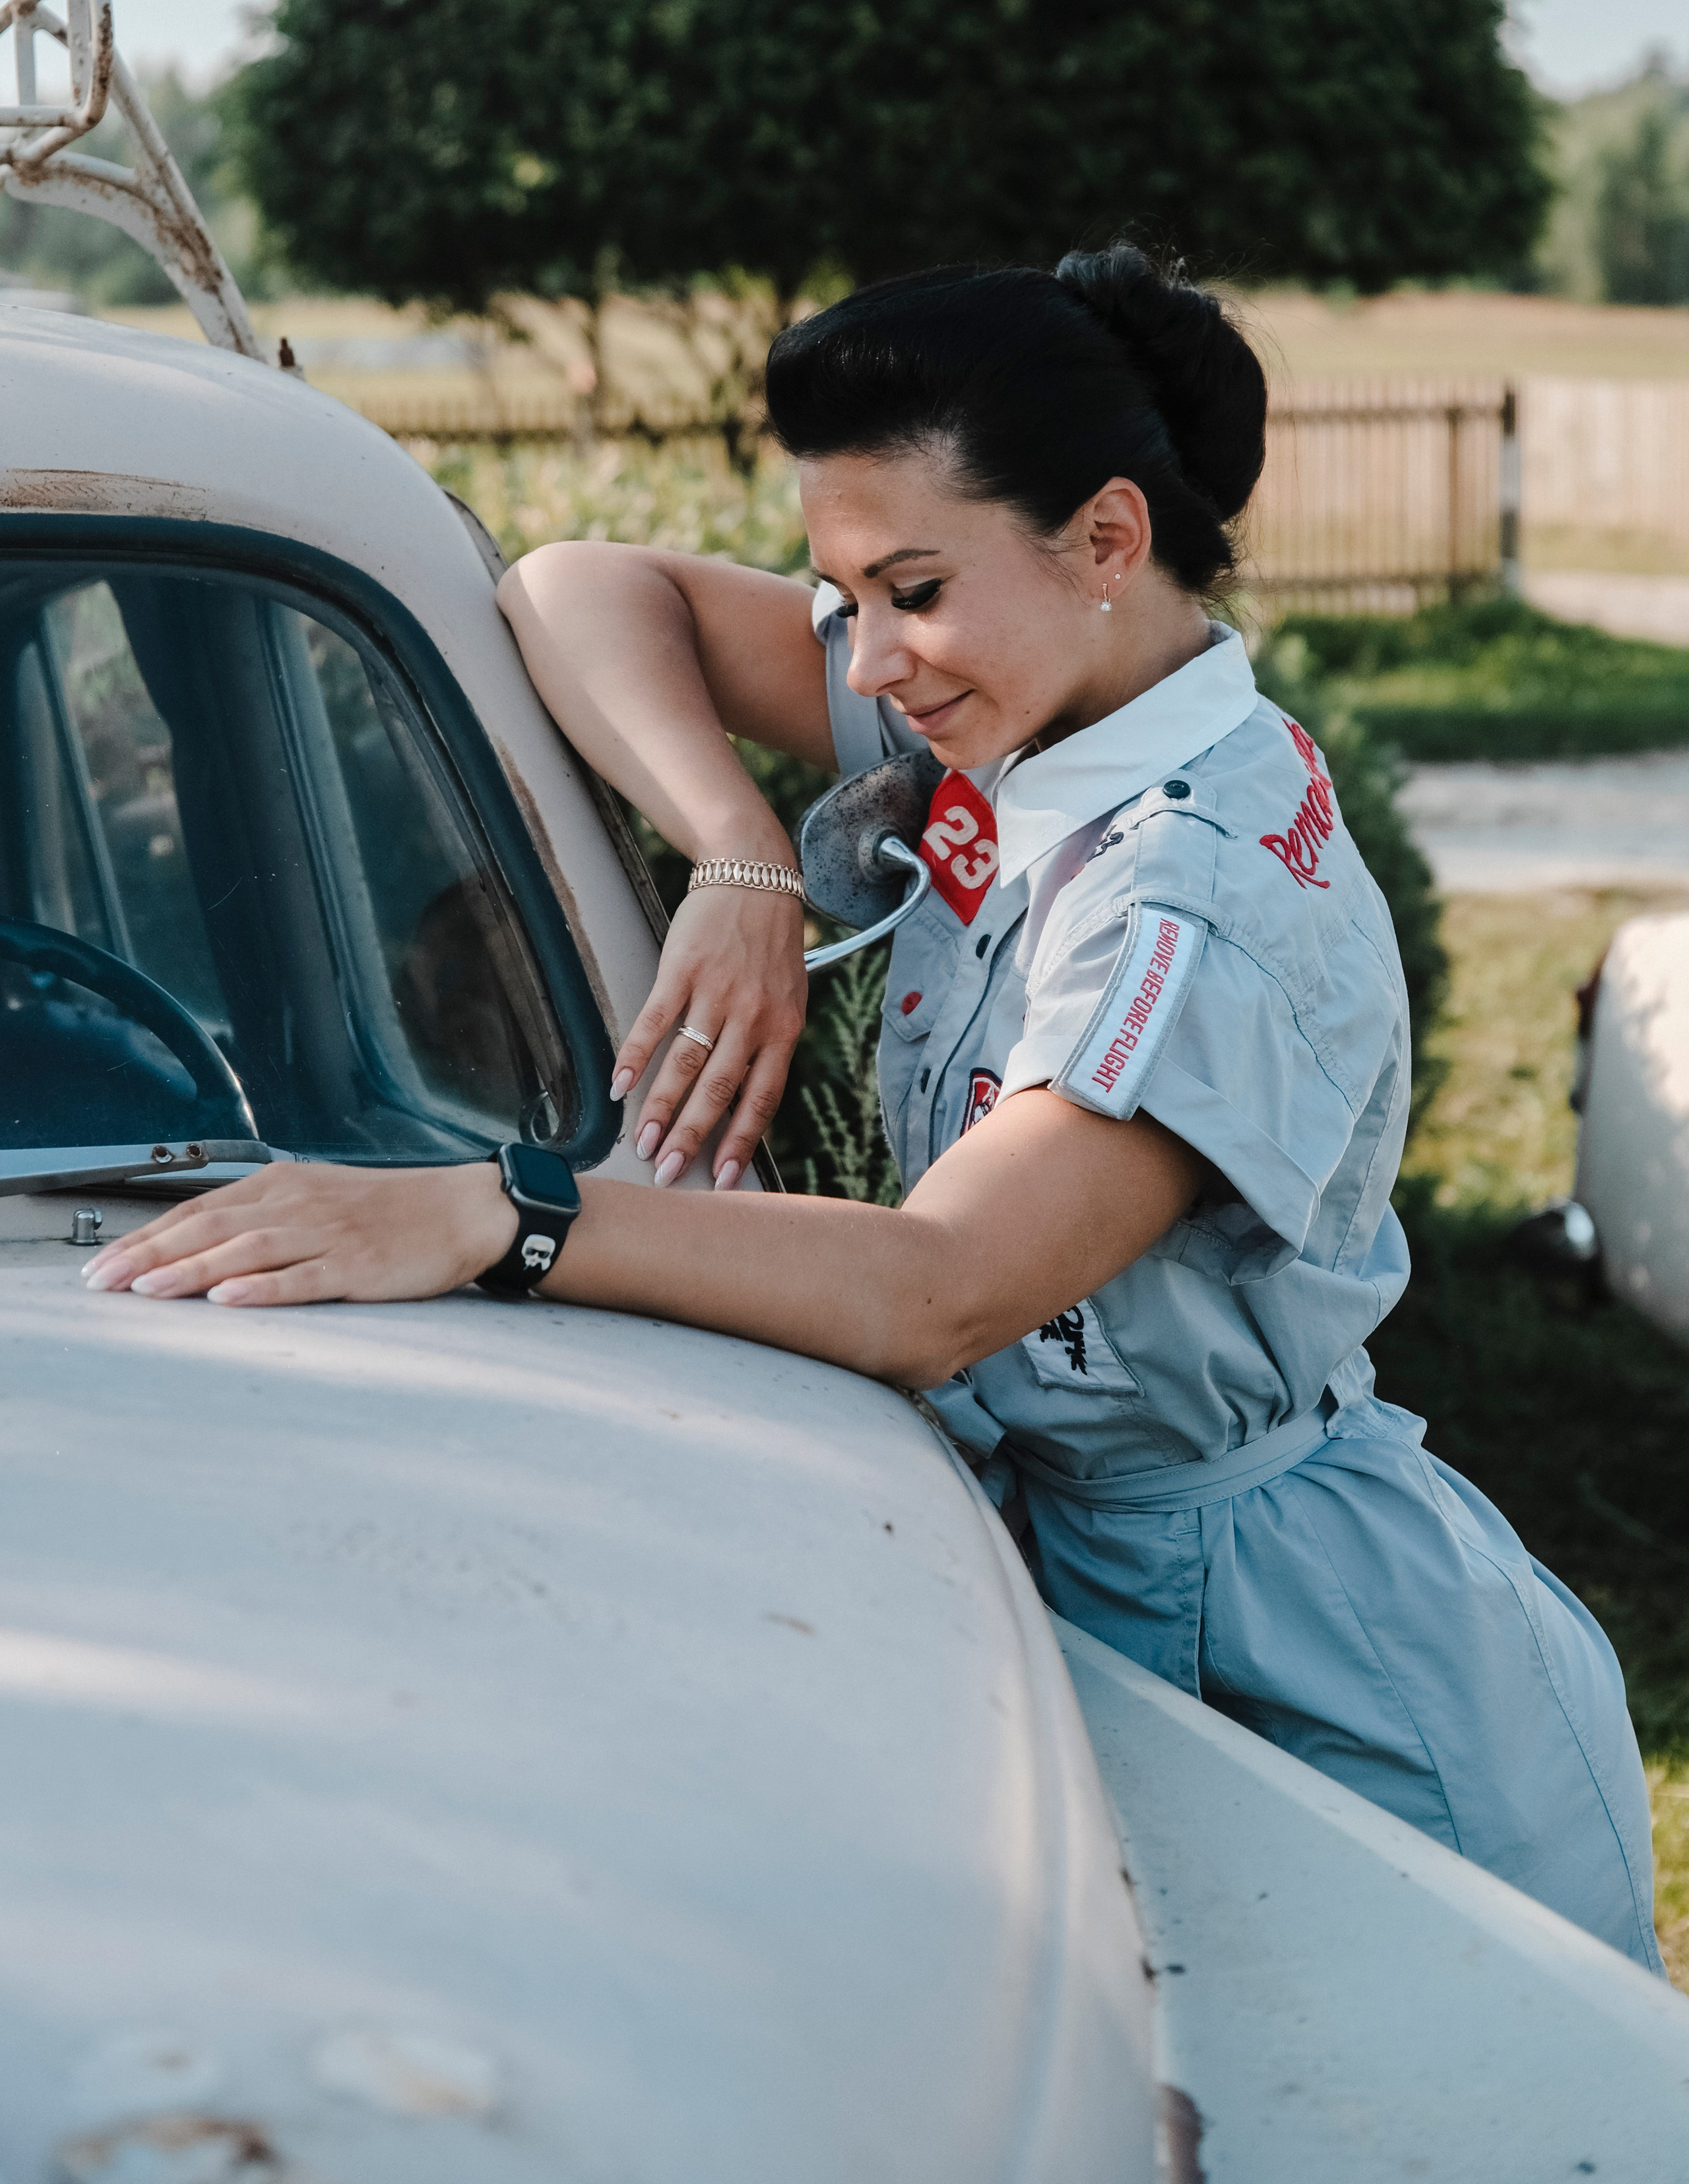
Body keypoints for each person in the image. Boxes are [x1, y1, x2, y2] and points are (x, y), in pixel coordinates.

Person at [86, 248, 1663, 1973]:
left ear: (1111, 541)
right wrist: (744, 857)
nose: (872, 659)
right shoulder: (1029, 705)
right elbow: (575, 586)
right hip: (1094, 1580)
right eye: (842, 598)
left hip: (1323, 1662)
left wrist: (502, 1213)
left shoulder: (1190, 895)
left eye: (910, 588)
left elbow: (946, 1289)